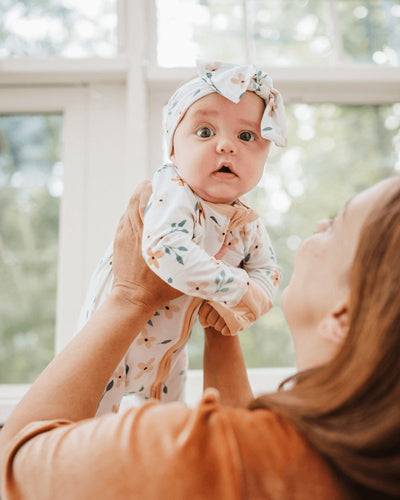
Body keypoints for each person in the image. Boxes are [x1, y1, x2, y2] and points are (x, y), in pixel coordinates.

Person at [1, 176, 399, 499]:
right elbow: (247, 441)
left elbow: (9, 470)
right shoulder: (366, 467)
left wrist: (130, 297)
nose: (318, 227)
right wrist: (217, 311)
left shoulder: (186, 452)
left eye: (335, 227)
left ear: (342, 316)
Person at [76, 60, 287, 414]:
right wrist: (236, 289)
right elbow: (166, 250)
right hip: (113, 341)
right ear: (173, 150)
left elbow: (268, 271)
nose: (226, 146)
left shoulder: (246, 220)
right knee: (90, 431)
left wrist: (246, 307)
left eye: (246, 136)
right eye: (205, 132)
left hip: (171, 348)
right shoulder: (172, 190)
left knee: (168, 422)